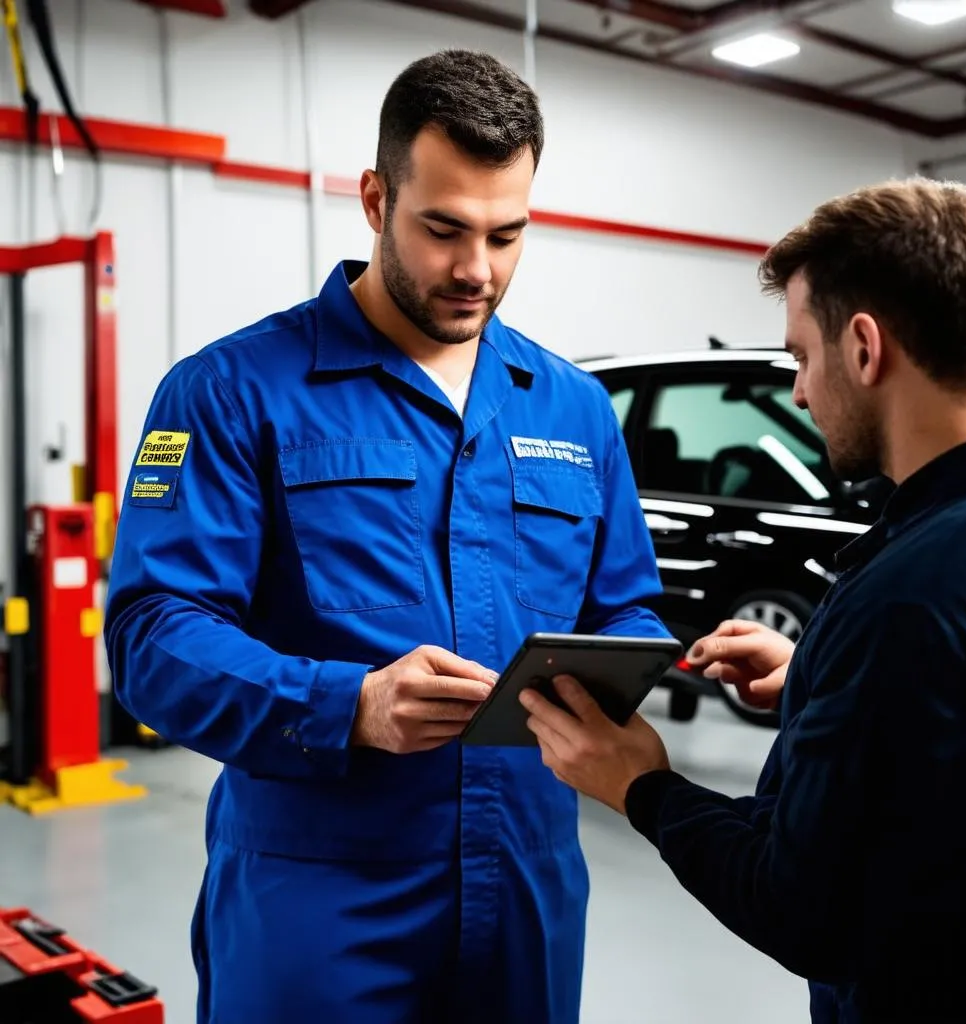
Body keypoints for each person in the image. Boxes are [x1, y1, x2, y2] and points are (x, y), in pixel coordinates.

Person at [103, 48, 670, 1024]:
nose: (475, 270)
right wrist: (348, 703)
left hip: (527, 875)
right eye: (442, 227)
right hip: (318, 894)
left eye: (507, 234)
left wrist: (626, 671)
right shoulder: (233, 391)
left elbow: (623, 602)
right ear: (374, 198)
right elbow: (152, 637)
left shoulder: (574, 409)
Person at [521, 177, 966, 1023]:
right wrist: (815, 680)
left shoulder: (909, 598)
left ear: (864, 349)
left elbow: (802, 907)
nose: (796, 390)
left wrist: (641, 787)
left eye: (800, 355)